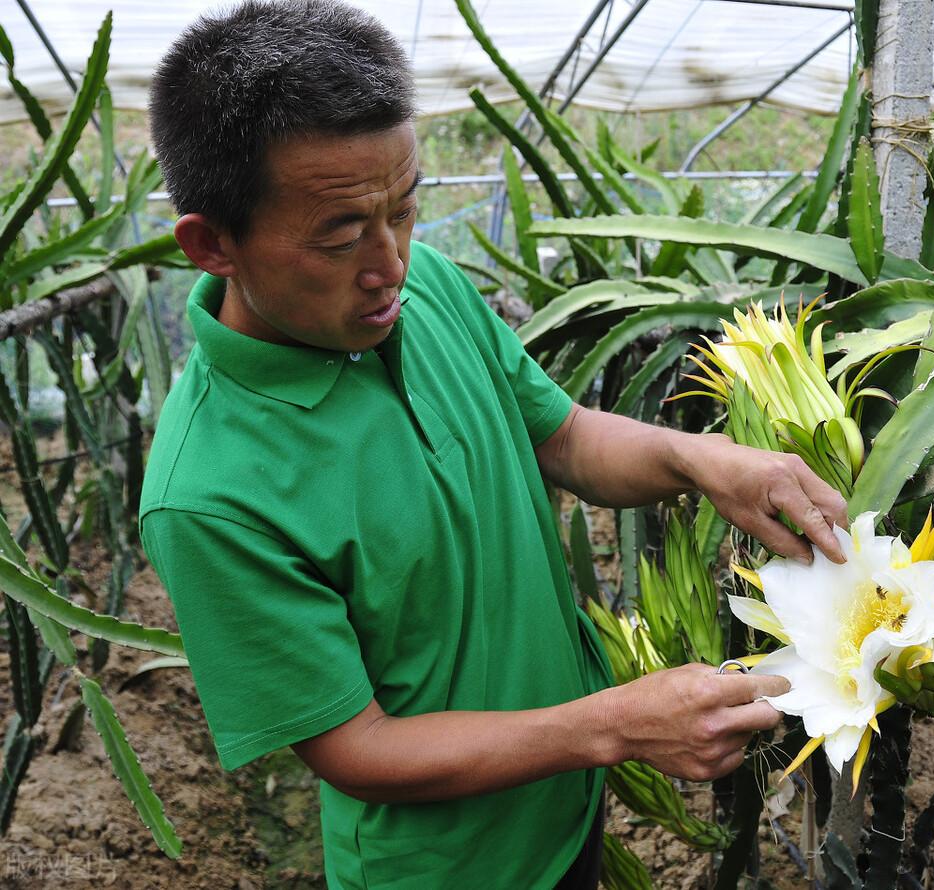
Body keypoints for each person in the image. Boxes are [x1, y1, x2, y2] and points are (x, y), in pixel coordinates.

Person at [140, 1, 848, 887]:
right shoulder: (208, 494)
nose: (390, 262)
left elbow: (565, 437)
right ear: (214, 246)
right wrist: (613, 727)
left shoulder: (423, 287)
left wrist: (701, 461)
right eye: (340, 235)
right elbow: (357, 748)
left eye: (402, 210)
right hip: (442, 868)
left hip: (562, 810)